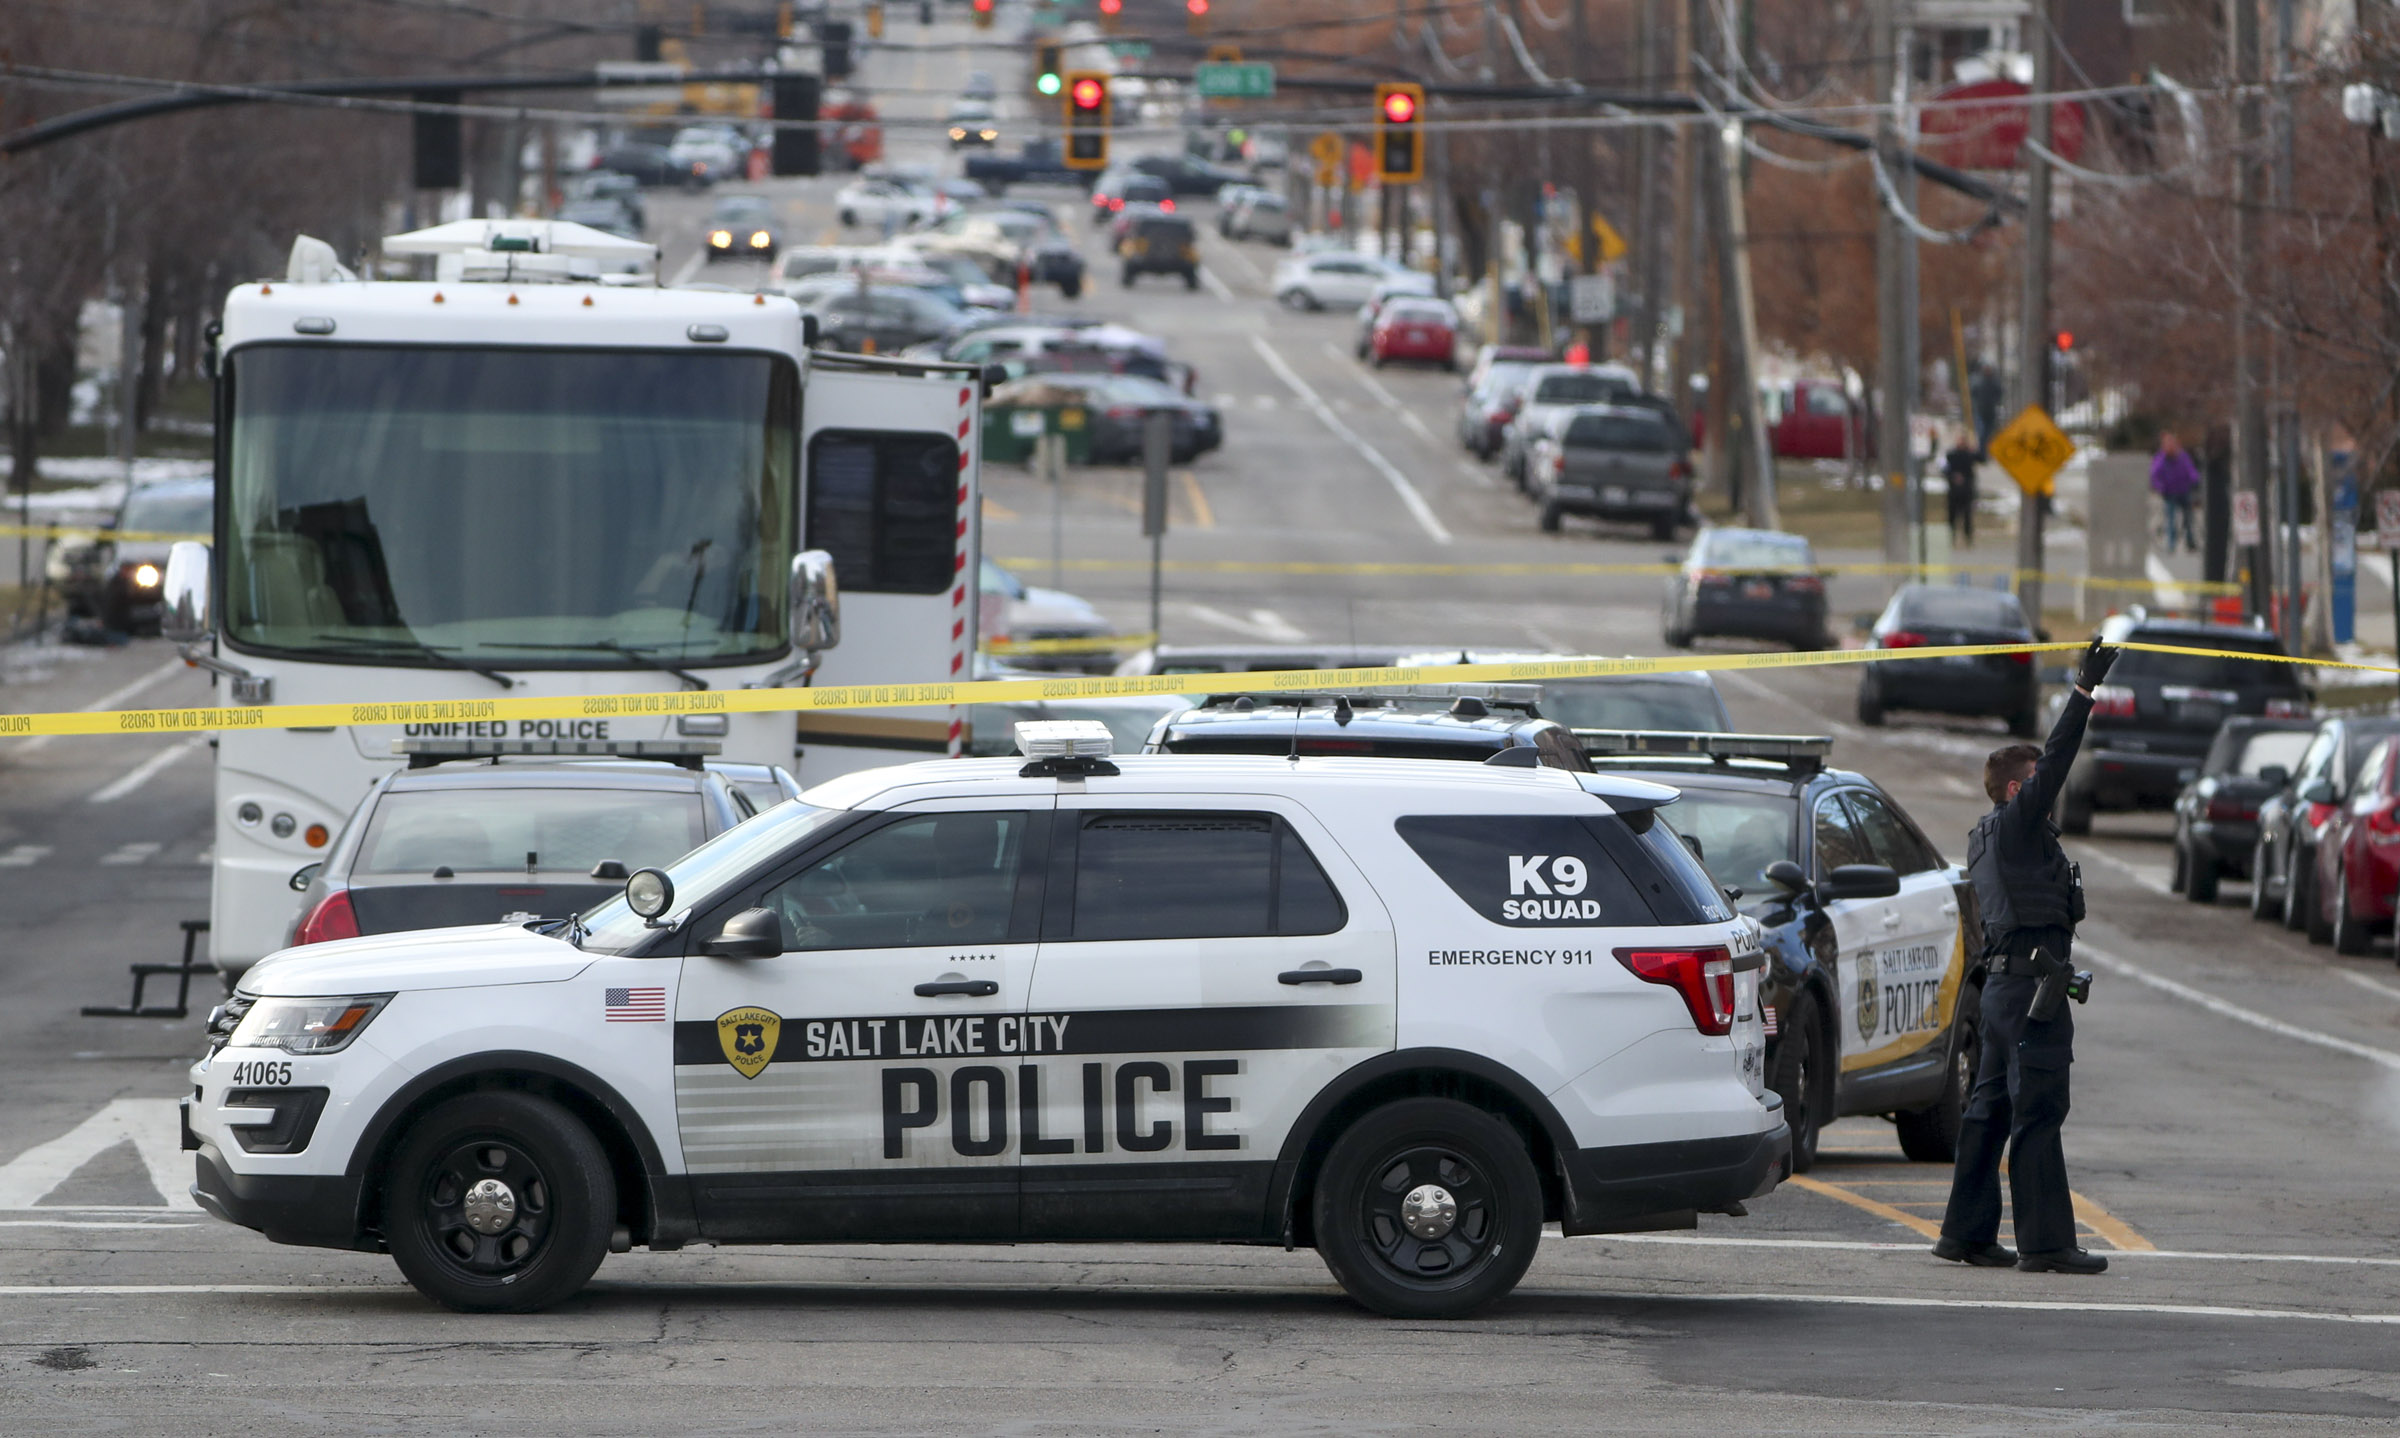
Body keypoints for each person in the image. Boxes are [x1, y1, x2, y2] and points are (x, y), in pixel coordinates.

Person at [1934, 635, 2118, 1276]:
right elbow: (2061, 757)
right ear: (2015, 789)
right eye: (2036, 784)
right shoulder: (2014, 826)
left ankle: (1965, 1234)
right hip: (2030, 997)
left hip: (2007, 994)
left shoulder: (1990, 837)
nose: (2049, 792)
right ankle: (2046, 1245)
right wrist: (2082, 693)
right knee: (2038, 1111)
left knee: (1988, 1111)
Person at [2151, 431, 2201, 554]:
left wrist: (2194, 480)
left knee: (2188, 518)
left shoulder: (2182, 457)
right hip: (2169, 493)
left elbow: (2190, 470)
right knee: (2171, 519)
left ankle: (2191, 542)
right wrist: (2161, 487)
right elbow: (2155, 475)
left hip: (2184, 491)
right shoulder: (2161, 459)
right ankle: (2171, 545)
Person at [1942, 430, 1981, 547]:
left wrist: (1975, 449)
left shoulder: (1970, 455)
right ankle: (1951, 538)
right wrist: (1953, 477)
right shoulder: (1951, 455)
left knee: (1967, 517)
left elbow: (1982, 459)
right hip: (1954, 491)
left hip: (1967, 491)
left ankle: (1968, 539)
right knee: (1952, 517)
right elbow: (1944, 470)